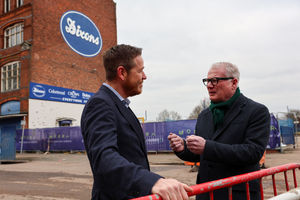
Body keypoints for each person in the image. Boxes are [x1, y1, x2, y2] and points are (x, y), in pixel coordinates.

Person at [81, 44, 192, 200]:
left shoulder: (119, 104)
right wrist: (153, 182)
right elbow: (104, 159)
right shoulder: (100, 104)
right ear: (122, 72)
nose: (144, 76)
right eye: (140, 71)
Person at [168, 62, 270, 200]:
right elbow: (200, 155)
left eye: (215, 80)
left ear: (234, 83)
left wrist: (206, 147)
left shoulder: (256, 111)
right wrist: (183, 148)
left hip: (237, 194)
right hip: (206, 194)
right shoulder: (204, 115)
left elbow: (253, 152)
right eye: (207, 81)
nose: (209, 85)